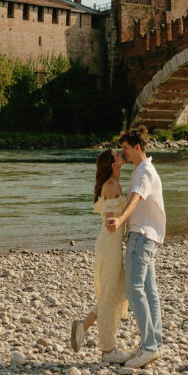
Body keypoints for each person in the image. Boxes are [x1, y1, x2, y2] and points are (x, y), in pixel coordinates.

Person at [105, 124, 166, 369]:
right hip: (148, 236)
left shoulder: (144, 173)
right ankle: (154, 344)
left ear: (137, 147)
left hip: (141, 237)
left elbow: (136, 198)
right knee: (149, 292)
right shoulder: (144, 169)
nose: (124, 153)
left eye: (126, 149)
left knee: (134, 290)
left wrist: (119, 220)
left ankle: (150, 346)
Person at [70, 148, 131, 363]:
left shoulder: (112, 183)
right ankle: (107, 350)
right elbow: (112, 218)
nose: (122, 154)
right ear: (113, 164)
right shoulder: (112, 186)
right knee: (109, 295)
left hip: (109, 246)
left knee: (115, 292)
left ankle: (84, 325)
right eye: (118, 155)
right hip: (109, 247)